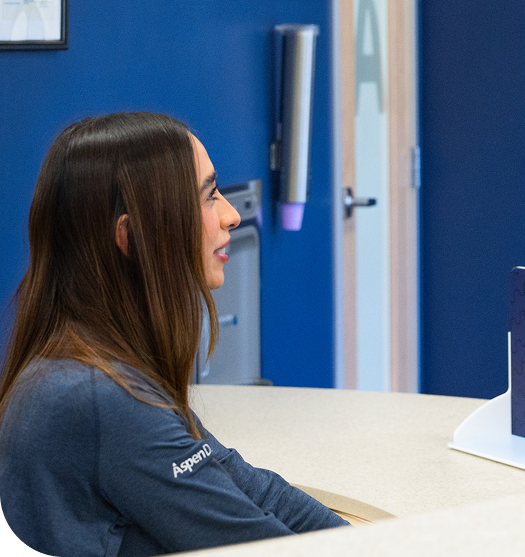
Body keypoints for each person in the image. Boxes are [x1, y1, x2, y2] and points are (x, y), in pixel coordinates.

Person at [0, 112, 348, 555]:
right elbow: (264, 548)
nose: (230, 216)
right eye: (207, 198)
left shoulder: (99, 367)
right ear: (131, 237)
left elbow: (254, 490)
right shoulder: (101, 399)